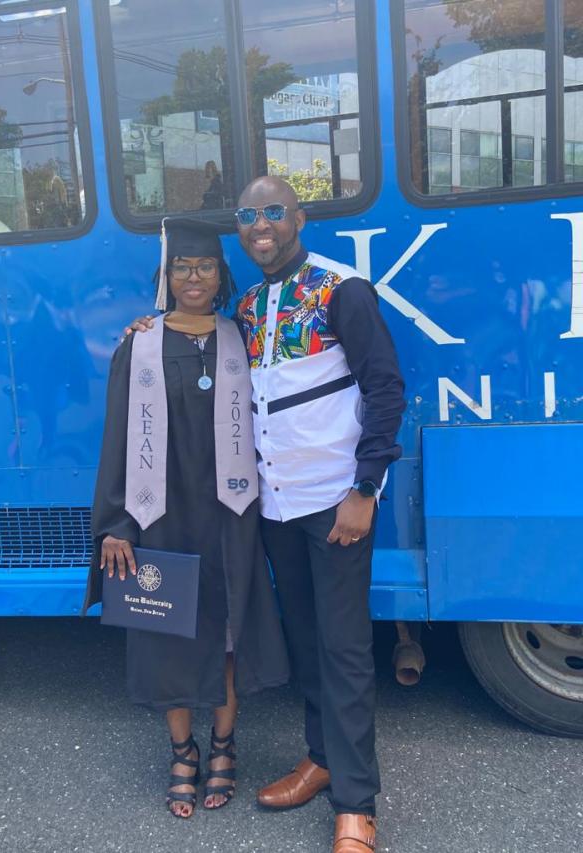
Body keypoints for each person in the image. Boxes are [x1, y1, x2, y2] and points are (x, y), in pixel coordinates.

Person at [126, 177, 406, 852]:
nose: (260, 225)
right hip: (274, 508)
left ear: (298, 218)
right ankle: (321, 756)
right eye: (248, 215)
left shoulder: (342, 291)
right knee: (307, 640)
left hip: (336, 503)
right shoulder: (248, 307)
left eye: (273, 212)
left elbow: (385, 388)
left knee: (343, 648)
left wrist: (365, 489)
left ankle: (356, 803)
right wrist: (146, 328)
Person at [84, 217, 289, 821]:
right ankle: (183, 749)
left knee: (226, 632)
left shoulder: (241, 338)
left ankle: (225, 744)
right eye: (182, 267)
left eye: (204, 268)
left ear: (220, 276)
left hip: (229, 512)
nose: (192, 277)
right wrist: (118, 523)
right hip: (160, 514)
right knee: (168, 631)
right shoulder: (140, 344)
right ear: (167, 277)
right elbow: (118, 438)